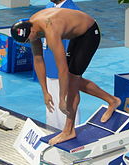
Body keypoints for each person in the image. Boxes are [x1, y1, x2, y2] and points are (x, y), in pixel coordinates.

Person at [11, 8, 121, 145]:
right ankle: (112, 100)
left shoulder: (50, 30)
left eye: (28, 40)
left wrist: (62, 98)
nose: (29, 42)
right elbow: (38, 59)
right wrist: (45, 91)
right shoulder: (31, 26)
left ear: (32, 31)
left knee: (72, 81)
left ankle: (69, 130)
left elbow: (62, 69)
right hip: (76, 34)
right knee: (74, 80)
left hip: (89, 33)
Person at [43, 0, 80, 130]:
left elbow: (72, 48)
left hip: (64, 69)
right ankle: (52, 133)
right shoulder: (49, 7)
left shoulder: (72, 13)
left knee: (66, 106)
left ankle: (71, 135)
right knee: (51, 110)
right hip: (49, 64)